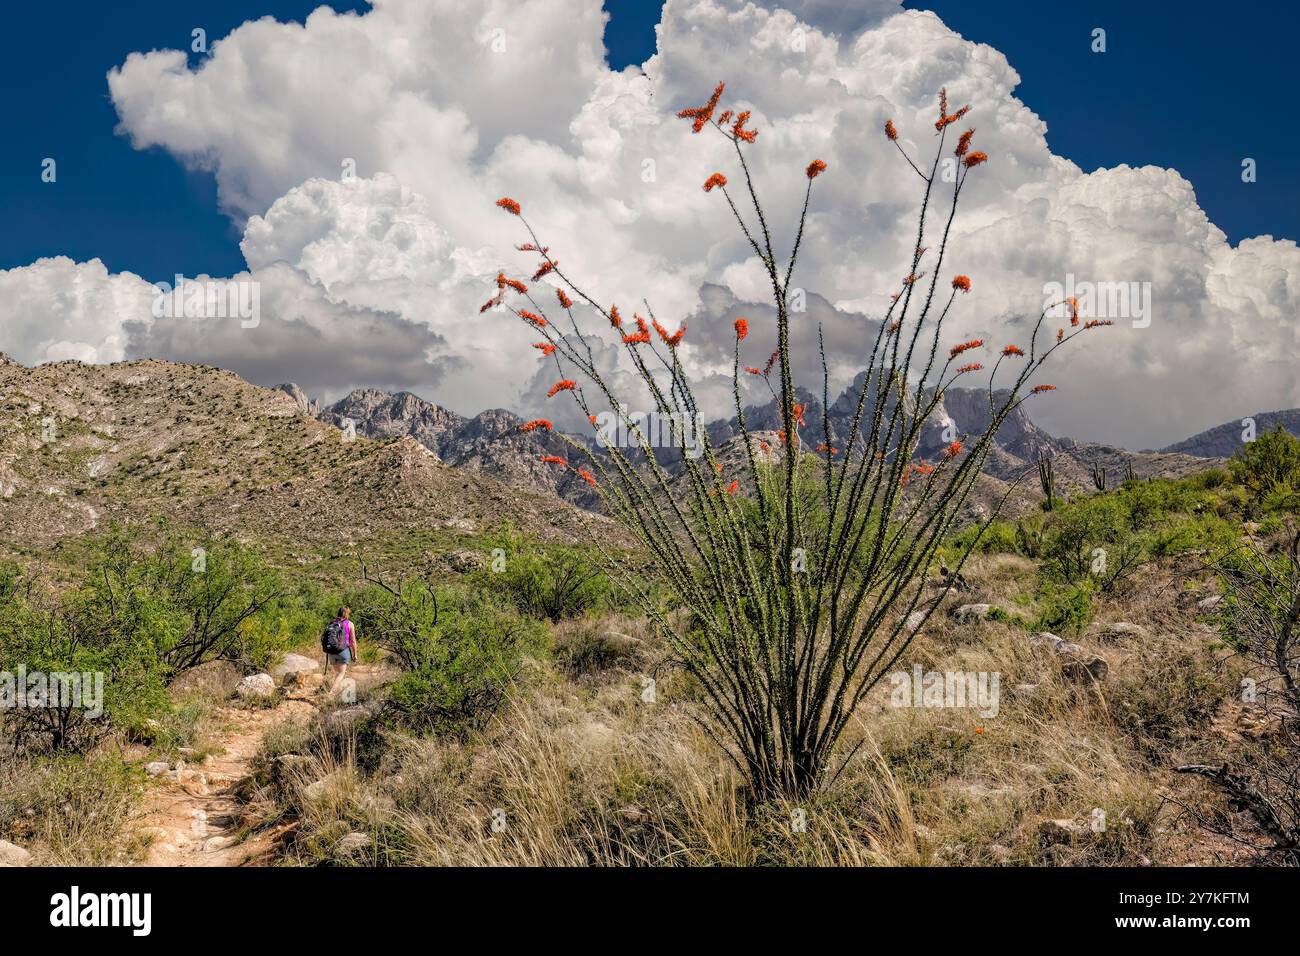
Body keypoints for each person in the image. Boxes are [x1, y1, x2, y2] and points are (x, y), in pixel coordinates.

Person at [326, 606, 358, 697]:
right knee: (341, 673)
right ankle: (331, 694)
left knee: (337, 673)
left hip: (331, 651)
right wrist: (355, 654)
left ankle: (336, 694)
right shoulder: (350, 624)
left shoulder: (332, 622)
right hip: (343, 651)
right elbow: (353, 642)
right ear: (347, 613)